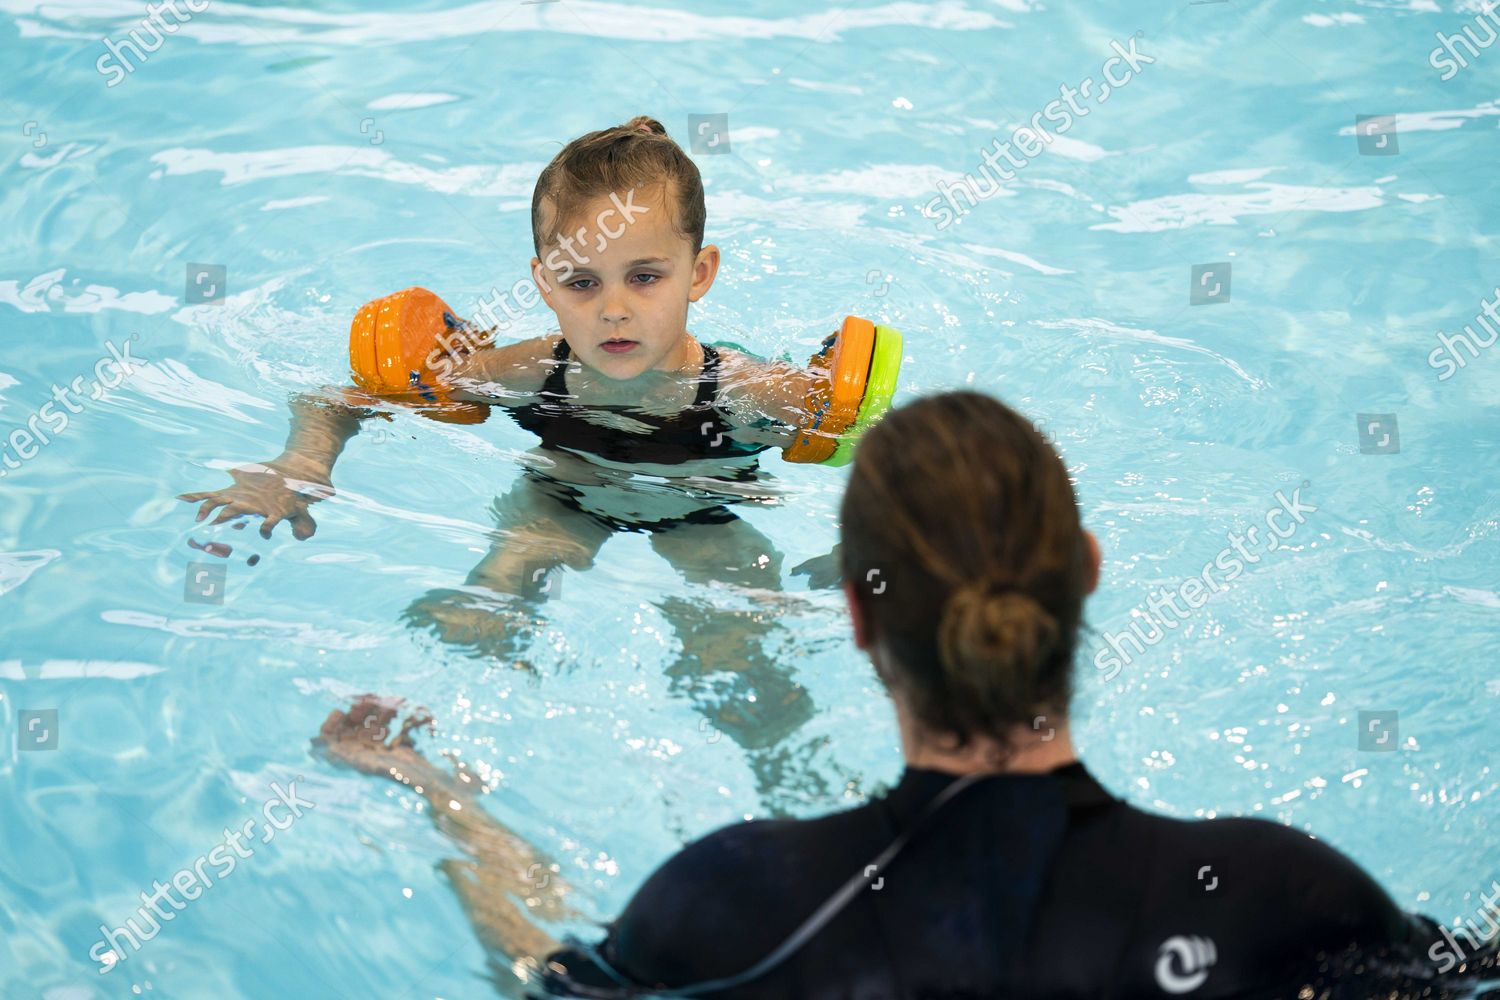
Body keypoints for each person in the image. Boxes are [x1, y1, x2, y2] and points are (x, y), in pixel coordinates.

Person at [313, 390, 1498, 998]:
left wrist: (433, 788)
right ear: (1083, 577)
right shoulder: (1275, 892)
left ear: (864, 618)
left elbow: (540, 969)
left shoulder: (735, 902)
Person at [180, 116, 844, 811]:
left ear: (699, 273)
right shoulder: (529, 369)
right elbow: (336, 399)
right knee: (487, 602)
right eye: (581, 284)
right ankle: (423, 762)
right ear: (544, 283)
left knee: (740, 648)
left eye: (644, 277)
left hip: (703, 511)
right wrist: (301, 466)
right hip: (564, 495)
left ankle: (798, 792)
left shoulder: (741, 387)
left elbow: (854, 426)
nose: (614, 310)